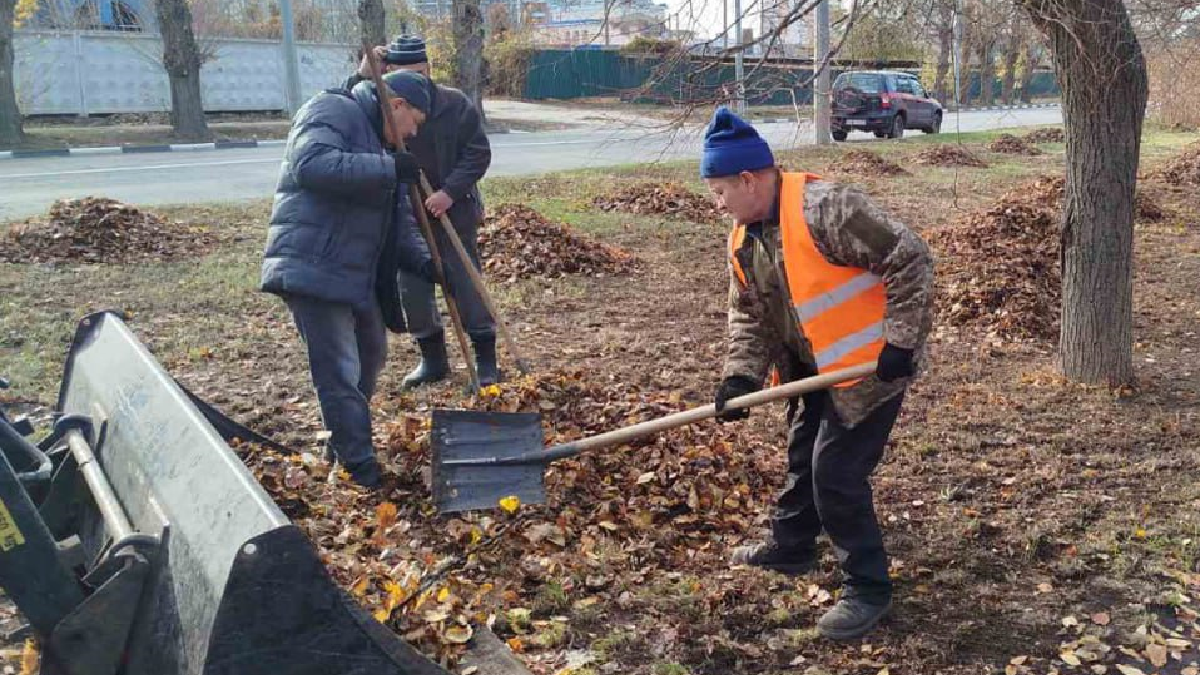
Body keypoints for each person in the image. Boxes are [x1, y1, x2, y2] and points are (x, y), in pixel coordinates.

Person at [702, 107, 934, 640]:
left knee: (836, 475)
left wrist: (900, 342)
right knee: (803, 451)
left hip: (872, 367)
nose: (717, 204)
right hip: (813, 367)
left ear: (747, 179)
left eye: (719, 191)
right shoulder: (744, 236)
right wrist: (741, 378)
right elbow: (748, 313)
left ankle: (868, 588)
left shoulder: (826, 208)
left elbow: (910, 257)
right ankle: (791, 547)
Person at [261, 70, 437, 488]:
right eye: (415, 121)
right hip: (314, 266)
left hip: (353, 274)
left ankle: (339, 445)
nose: (413, 133)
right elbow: (312, 164)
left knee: (371, 355)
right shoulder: (332, 109)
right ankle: (359, 468)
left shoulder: (381, 143)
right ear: (396, 106)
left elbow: (398, 224)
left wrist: (427, 263)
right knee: (340, 369)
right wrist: (388, 166)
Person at [346, 35, 497, 387]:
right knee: (412, 290)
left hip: (453, 212)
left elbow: (478, 153)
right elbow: (346, 106)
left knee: (466, 283)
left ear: (428, 69)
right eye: (402, 72)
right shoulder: (380, 102)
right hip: (406, 215)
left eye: (419, 71)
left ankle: (486, 359)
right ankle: (433, 359)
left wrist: (449, 192)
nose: (414, 81)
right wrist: (360, 76)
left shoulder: (455, 104)